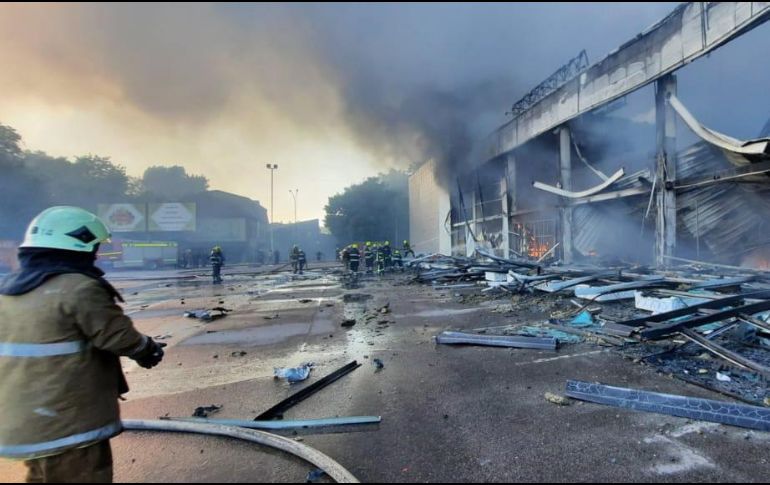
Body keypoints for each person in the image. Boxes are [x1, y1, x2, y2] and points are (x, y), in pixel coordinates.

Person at [0, 206, 164, 483]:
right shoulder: (78, 287)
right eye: (94, 247)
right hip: (68, 421)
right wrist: (147, 349)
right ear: (78, 245)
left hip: (25, 420)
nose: (96, 254)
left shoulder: (10, 288)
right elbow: (117, 335)